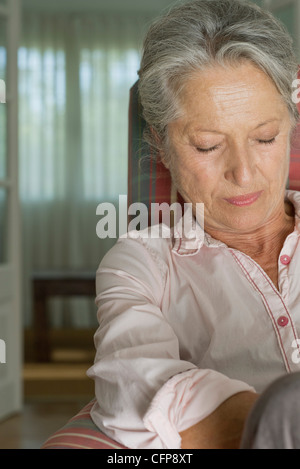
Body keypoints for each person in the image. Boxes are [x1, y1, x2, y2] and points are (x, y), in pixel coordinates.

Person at [87, 0, 300, 449]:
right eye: (207, 146)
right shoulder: (141, 263)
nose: (243, 173)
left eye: (264, 137)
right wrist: (277, 424)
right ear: (160, 146)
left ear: (291, 125)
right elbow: (131, 388)